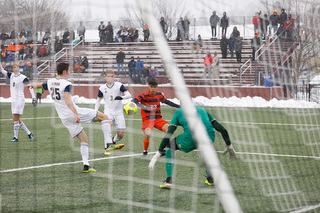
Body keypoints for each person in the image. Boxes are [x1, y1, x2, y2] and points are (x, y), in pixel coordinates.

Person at [27, 63, 119, 172]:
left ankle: (86, 165)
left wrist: (30, 84)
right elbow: (67, 99)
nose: (70, 72)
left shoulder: (50, 81)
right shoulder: (66, 84)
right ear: (65, 72)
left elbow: (40, 85)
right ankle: (108, 144)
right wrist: (76, 113)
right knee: (104, 116)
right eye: (69, 70)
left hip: (64, 118)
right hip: (73, 113)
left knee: (83, 139)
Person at [148, 106, 237, 189]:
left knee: (170, 146)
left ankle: (168, 180)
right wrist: (229, 146)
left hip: (191, 138)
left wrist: (157, 154)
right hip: (209, 136)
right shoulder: (202, 110)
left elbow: (169, 134)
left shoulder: (179, 112)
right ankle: (211, 178)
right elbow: (222, 129)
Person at [132, 79, 180, 156]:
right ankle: (145, 151)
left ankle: (163, 149)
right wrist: (143, 106)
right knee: (148, 134)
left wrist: (178, 106)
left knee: (169, 130)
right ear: (148, 87)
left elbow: (167, 102)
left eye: (154, 87)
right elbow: (134, 100)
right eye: (151, 87)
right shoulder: (144, 96)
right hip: (148, 120)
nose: (153, 89)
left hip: (158, 119)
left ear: (157, 87)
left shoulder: (159, 95)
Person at [95, 70, 131, 155]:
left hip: (118, 112)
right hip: (108, 111)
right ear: (105, 77)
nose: (110, 78)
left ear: (114, 77)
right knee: (108, 124)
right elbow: (98, 100)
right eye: (108, 76)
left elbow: (129, 95)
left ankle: (113, 141)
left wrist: (122, 98)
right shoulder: (102, 88)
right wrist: (95, 111)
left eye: (112, 76)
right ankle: (107, 146)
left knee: (121, 134)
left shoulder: (119, 85)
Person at [0, 63, 36, 142]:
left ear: (19, 68)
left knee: (15, 118)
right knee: (16, 119)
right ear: (12, 69)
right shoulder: (11, 75)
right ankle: (29, 134)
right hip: (13, 100)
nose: (15, 69)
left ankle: (15, 137)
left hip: (20, 100)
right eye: (14, 67)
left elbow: (30, 87)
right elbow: (1, 70)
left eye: (17, 67)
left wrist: (33, 97)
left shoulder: (23, 78)